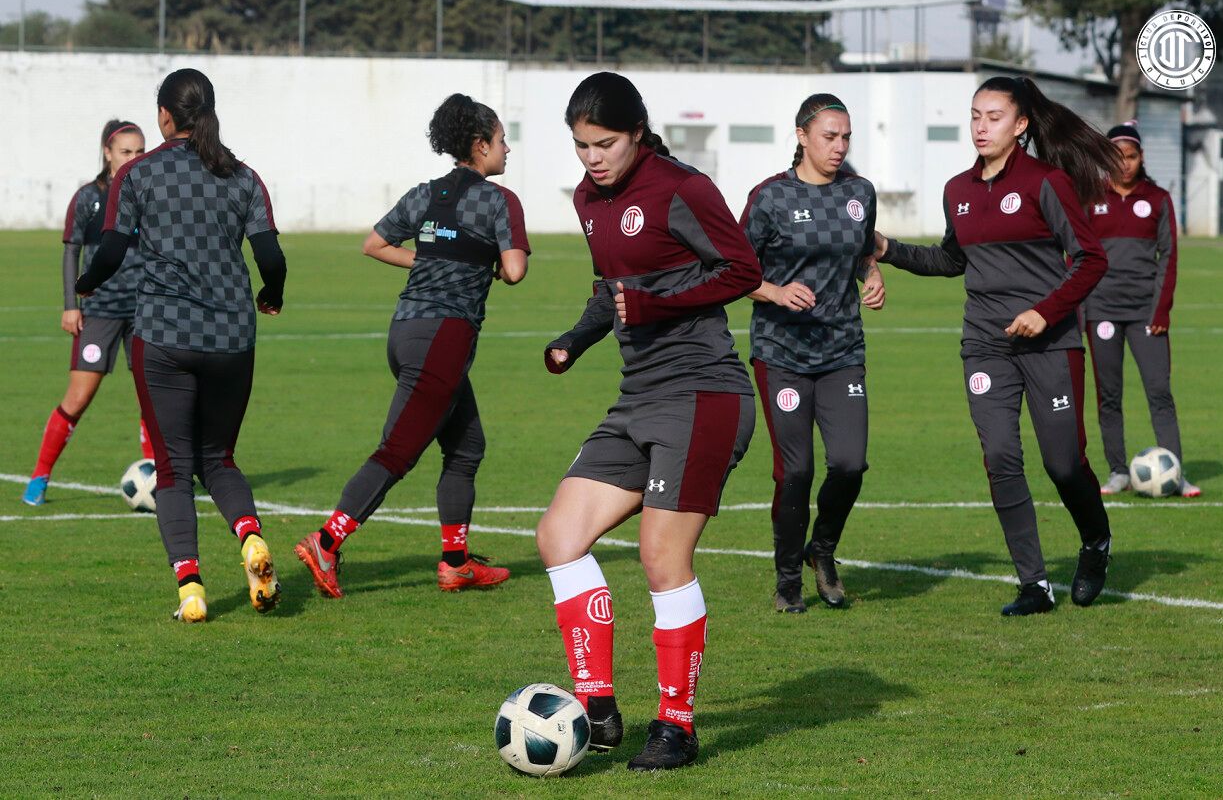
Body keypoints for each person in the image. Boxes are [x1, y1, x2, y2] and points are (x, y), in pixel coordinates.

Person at [536, 72, 761, 771]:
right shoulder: (586, 199)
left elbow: (743, 270)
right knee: (558, 536)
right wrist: (574, 339)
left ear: (637, 133)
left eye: (605, 143)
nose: (593, 158)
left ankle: (678, 727)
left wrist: (656, 306)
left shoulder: (682, 188)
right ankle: (598, 710)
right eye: (581, 146)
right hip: (639, 398)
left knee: (662, 558)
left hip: (705, 393)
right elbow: (613, 292)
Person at [873, 76, 1118, 617]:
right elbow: (952, 260)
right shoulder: (958, 190)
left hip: (1050, 345)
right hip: (984, 345)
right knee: (1001, 458)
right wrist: (888, 249)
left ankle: (1096, 543)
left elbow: (1091, 259)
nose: (981, 127)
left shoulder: (1046, 183)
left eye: (994, 117)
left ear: (1021, 124)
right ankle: (1034, 584)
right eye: (975, 116)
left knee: (1063, 463)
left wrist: (1043, 312)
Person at [294, 94, 529, 598]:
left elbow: (374, 244)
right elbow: (514, 270)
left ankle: (456, 562)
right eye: (502, 140)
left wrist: (430, 262)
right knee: (398, 451)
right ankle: (327, 542)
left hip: (405, 331)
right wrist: (476, 264)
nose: (507, 150)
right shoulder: (498, 201)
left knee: (467, 448)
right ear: (480, 144)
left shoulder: (425, 195)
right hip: (444, 338)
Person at [75, 68, 287, 623]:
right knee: (218, 459)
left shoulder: (139, 174)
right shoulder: (243, 177)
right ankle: (249, 540)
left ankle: (191, 590)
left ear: (164, 117)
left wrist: (85, 283)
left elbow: (114, 248)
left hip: (163, 336)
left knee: (172, 471)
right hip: (231, 338)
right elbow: (271, 257)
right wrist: (273, 292)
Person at [740, 93, 886, 613]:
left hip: (842, 348)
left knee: (849, 463)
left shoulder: (860, 193)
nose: (839, 146)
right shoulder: (770, 198)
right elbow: (733, 270)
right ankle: (786, 582)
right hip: (781, 352)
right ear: (802, 135)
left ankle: (821, 549)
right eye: (829, 136)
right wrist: (775, 292)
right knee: (795, 472)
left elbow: (863, 249)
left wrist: (872, 274)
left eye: (846, 136)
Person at [22, 120, 151, 506]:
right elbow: (70, 251)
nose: (134, 158)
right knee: (78, 398)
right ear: (107, 153)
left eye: (140, 151)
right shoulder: (87, 199)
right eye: (126, 151)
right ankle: (39, 478)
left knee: (153, 399)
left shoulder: (152, 196)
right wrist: (69, 305)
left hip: (146, 310)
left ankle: (163, 481)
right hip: (100, 311)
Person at [1084, 121, 1199, 497]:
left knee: (1159, 392)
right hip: (1101, 312)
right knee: (1109, 395)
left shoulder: (1159, 199)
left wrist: (1161, 312)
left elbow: (1169, 257)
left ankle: (1175, 473)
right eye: (1117, 157)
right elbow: (1078, 257)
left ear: (1141, 157)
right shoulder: (1090, 199)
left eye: (1131, 156)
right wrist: (1080, 310)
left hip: (1146, 315)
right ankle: (1118, 471)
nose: (1125, 164)